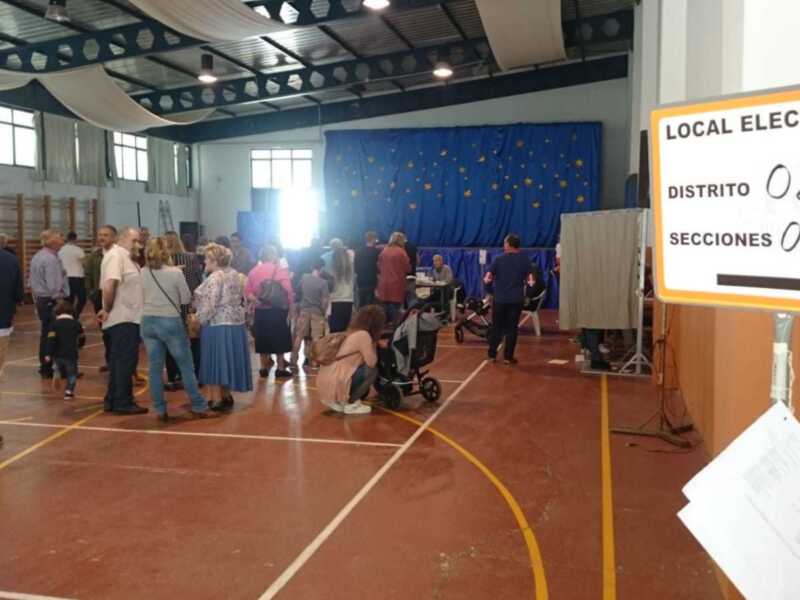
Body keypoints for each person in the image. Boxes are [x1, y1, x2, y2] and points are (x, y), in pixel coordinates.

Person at [141, 238, 215, 421]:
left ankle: (160, 409)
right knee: (186, 366)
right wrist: (176, 275)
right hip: (170, 320)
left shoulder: (143, 271)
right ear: (167, 252)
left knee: (155, 368)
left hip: (148, 320)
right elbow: (185, 299)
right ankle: (198, 405)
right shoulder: (175, 273)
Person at [194, 243, 253, 411]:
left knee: (214, 360)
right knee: (228, 360)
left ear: (214, 260)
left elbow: (210, 304)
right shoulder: (235, 274)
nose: (204, 261)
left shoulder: (215, 277)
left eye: (207, 258)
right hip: (235, 324)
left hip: (217, 324)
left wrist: (199, 319)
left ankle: (216, 398)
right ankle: (226, 395)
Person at [98, 226, 147, 415]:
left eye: (139, 241)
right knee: (125, 361)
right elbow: (109, 285)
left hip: (130, 318)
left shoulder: (127, 258)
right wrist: (107, 309)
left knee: (119, 361)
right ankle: (123, 401)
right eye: (134, 240)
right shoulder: (116, 256)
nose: (138, 245)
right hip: (122, 318)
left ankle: (112, 399)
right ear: (122, 238)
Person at [318, 305, 387, 415]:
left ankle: (340, 401)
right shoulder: (364, 335)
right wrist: (374, 343)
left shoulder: (351, 332)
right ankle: (350, 403)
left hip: (327, 381)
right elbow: (372, 362)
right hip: (337, 381)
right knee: (372, 371)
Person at [483, 234, 534, 365]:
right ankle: (508, 357)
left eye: (505, 242)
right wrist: (528, 295)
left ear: (509, 244)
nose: (503, 245)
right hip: (516, 300)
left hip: (500, 299)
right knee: (512, 329)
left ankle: (492, 355)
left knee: (497, 328)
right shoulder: (525, 260)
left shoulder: (498, 259)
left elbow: (487, 278)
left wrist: (490, 292)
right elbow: (531, 281)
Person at [246, 245, 294, 379]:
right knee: (280, 337)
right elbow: (288, 289)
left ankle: (263, 367)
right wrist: (290, 306)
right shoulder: (279, 270)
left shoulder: (253, 271)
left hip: (260, 311)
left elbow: (247, 291)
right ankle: (280, 368)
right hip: (278, 309)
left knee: (262, 338)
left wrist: (256, 301)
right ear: (273, 255)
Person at [163, 231, 204, 388]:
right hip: (190, 306)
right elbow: (199, 280)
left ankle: (173, 377)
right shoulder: (191, 258)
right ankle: (197, 375)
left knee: (172, 343)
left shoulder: (163, 262)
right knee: (194, 341)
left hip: (171, 306)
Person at [29, 229, 69, 379]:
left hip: (42, 299)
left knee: (47, 334)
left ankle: (46, 367)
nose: (63, 240)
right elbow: (53, 285)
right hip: (51, 300)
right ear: (52, 242)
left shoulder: (38, 256)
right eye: (60, 237)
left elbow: (31, 281)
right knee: (57, 334)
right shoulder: (50, 259)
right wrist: (60, 301)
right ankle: (62, 369)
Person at [85, 225, 117, 373]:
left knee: (119, 331)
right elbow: (87, 276)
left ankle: (120, 363)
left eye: (106, 235)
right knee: (106, 331)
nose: (102, 238)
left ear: (114, 237)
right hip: (100, 296)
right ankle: (110, 361)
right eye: (100, 235)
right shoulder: (94, 256)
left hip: (117, 297)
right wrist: (92, 294)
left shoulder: (120, 254)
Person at [291, 259, 329, 370]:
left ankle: (293, 360)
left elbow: (297, 292)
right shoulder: (323, 283)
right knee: (316, 338)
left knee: (299, 336)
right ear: (322, 268)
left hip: (304, 311)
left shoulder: (304, 277)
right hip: (317, 312)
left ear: (312, 267)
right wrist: (324, 312)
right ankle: (314, 362)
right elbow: (325, 300)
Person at [44, 299, 85, 400]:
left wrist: (48, 353)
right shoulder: (76, 323)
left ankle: (56, 373)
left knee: (57, 367)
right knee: (72, 373)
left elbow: (50, 340)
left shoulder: (54, 325)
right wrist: (80, 345)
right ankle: (69, 391)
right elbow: (82, 336)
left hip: (57, 353)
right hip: (71, 353)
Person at [377, 232, 411, 324]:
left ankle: (383, 327)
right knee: (395, 309)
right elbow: (407, 268)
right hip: (396, 283)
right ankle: (395, 329)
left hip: (384, 283)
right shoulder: (401, 252)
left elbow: (379, 266)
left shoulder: (384, 251)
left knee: (384, 308)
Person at [0, 245, 22, 383]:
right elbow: (17, 287)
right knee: (2, 342)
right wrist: (18, 301)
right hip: (4, 308)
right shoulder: (11, 259)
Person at [327, 242, 355, 333]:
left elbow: (330, 288)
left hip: (335, 301)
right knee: (344, 330)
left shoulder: (331, 271)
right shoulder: (351, 271)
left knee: (334, 331)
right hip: (348, 301)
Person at [59, 231, 87, 319]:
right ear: (76, 239)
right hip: (77, 277)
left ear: (67, 238)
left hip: (65, 278)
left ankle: (67, 318)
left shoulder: (61, 250)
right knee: (82, 299)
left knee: (68, 300)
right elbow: (85, 264)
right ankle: (75, 316)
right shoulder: (78, 250)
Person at [354, 231, 380, 308]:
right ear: (374, 239)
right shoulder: (376, 252)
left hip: (361, 279)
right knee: (370, 303)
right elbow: (378, 267)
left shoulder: (358, 251)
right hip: (372, 279)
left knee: (361, 302)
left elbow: (356, 266)